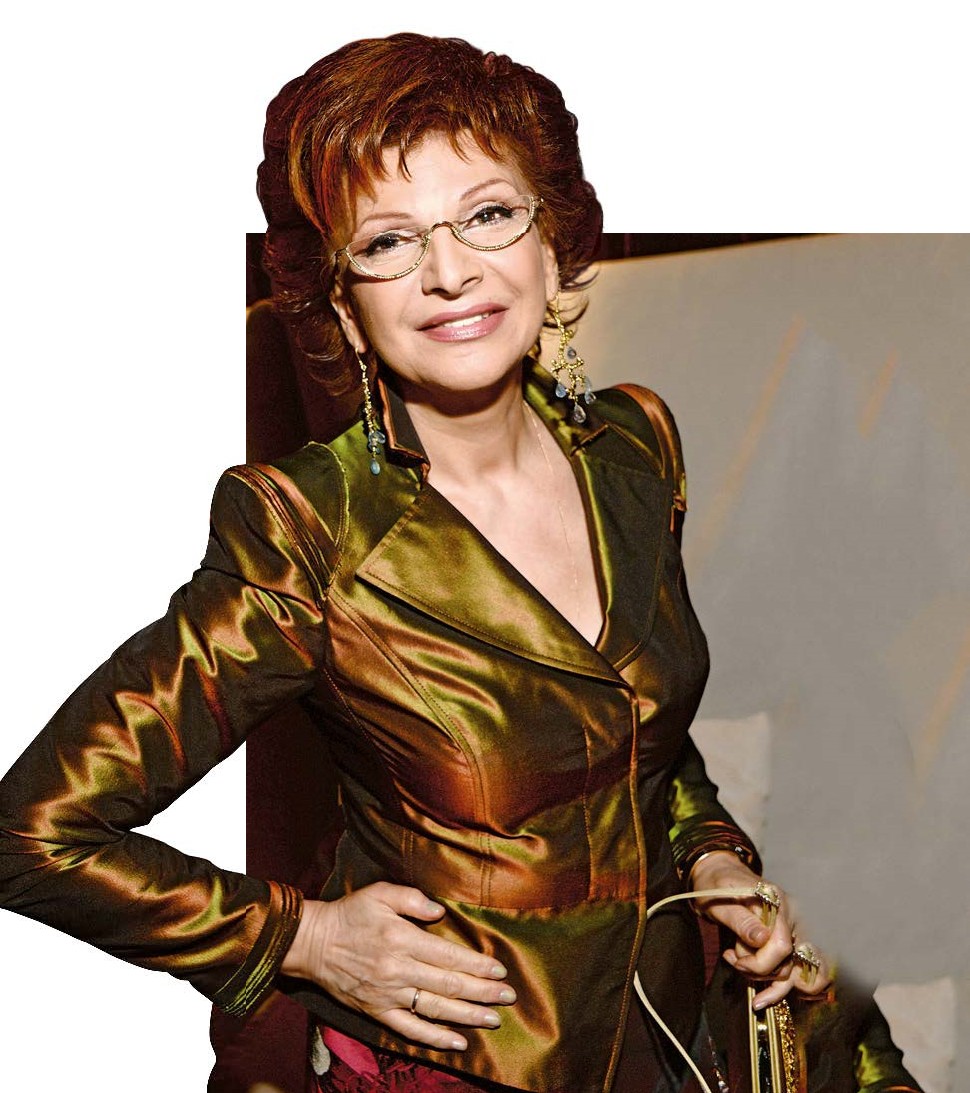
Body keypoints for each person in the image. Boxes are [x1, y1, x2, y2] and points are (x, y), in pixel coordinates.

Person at [3, 32, 905, 1093]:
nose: (448, 272)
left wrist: (710, 852)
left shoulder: (634, 446)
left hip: (665, 1038)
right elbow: (35, 834)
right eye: (388, 241)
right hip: (453, 1065)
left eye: (487, 215)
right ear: (344, 304)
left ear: (551, 244)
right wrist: (300, 937)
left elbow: (633, 733)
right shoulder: (305, 528)